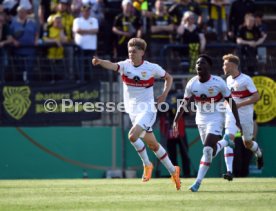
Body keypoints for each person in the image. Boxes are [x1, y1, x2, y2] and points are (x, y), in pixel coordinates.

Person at [92, 37, 181, 190]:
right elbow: (112, 65)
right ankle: (174, 171)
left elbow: (168, 77)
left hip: (147, 109)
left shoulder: (151, 68)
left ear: (142, 52)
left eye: (134, 51)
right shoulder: (125, 66)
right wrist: (100, 62)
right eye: (129, 51)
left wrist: (165, 94)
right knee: (153, 145)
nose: (131, 54)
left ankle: (147, 165)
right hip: (133, 111)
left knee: (132, 135)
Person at [173, 54, 241, 192]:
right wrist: (176, 120)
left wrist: (237, 121)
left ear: (208, 67)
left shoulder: (218, 82)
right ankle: (225, 142)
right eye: (197, 63)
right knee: (210, 152)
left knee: (207, 149)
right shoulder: (192, 83)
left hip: (216, 118)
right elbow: (184, 103)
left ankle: (197, 182)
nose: (199, 65)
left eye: (202, 63)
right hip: (201, 119)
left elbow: (231, 102)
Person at [222, 54, 264, 170]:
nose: (223, 67)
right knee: (228, 138)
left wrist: (240, 104)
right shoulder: (228, 80)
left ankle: (259, 154)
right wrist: (225, 105)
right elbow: (229, 98)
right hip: (232, 115)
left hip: (246, 116)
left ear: (232, 65)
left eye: (225, 64)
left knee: (247, 143)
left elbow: (256, 97)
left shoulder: (246, 79)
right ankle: (229, 171)